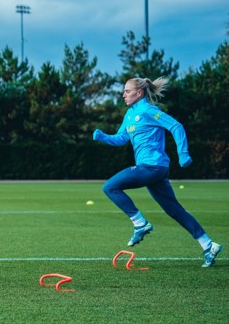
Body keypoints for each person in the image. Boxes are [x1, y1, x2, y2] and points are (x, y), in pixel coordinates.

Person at [93, 76, 221, 267]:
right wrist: (103, 137)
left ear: (139, 92)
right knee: (174, 210)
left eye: (127, 91)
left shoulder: (149, 110)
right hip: (155, 171)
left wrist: (183, 153)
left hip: (152, 167)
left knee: (110, 187)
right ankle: (208, 245)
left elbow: (176, 126)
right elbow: (121, 139)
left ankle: (139, 223)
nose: (123, 95)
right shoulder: (130, 114)